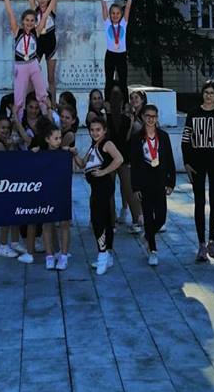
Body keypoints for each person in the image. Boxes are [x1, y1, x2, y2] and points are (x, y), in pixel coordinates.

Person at [182, 79, 214, 262]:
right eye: (206, 92)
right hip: (197, 162)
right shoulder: (193, 113)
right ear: (202, 94)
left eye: (212, 93)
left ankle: (212, 241)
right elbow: (186, 140)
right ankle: (201, 244)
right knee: (199, 202)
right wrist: (186, 162)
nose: (209, 96)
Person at [74, 115, 122, 276]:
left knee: (98, 220)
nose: (95, 133)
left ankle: (102, 255)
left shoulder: (107, 144)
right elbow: (82, 164)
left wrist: (104, 172)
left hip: (103, 187)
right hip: (96, 188)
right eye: (92, 130)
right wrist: (74, 153)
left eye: (98, 130)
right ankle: (108, 255)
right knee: (106, 220)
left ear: (104, 130)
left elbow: (119, 159)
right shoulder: (93, 145)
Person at [130, 103, 176, 266]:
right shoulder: (137, 138)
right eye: (148, 116)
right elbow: (134, 165)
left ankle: (148, 235)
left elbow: (170, 159)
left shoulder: (163, 136)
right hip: (144, 181)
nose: (151, 119)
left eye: (154, 116)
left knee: (161, 217)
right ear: (143, 117)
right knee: (148, 217)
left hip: (160, 180)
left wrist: (171, 182)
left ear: (157, 118)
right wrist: (135, 187)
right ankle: (153, 250)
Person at [0, 0, 50, 117]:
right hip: (20, 66)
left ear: (35, 22)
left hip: (33, 64)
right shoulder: (17, 30)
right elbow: (10, 13)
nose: (29, 23)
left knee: (42, 94)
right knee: (19, 98)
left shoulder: (37, 31)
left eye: (32, 20)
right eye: (27, 20)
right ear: (23, 21)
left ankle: (47, 117)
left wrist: (53, 0)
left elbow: (45, 15)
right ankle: (18, 121)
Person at [33, 124, 75, 270]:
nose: (59, 141)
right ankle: (49, 256)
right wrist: (34, 153)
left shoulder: (64, 153)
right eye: (56, 138)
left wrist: (72, 151)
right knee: (47, 224)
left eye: (60, 138)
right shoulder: (41, 153)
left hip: (62, 191)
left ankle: (64, 255)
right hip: (46, 192)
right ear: (47, 139)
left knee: (64, 223)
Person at [107, 85, 143, 235]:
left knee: (109, 191)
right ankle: (136, 221)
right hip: (124, 157)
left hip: (110, 158)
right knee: (130, 190)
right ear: (122, 102)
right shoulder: (127, 119)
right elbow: (128, 138)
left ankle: (111, 224)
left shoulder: (106, 119)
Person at [25, 0, 60, 103]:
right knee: (32, 76)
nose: (42, 0)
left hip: (51, 43)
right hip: (38, 43)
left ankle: (53, 104)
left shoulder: (52, 9)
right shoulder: (34, 9)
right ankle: (30, 103)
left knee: (51, 77)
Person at [0, 116, 27, 260]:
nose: (5, 130)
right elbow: (9, 160)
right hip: (3, 183)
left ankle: (14, 241)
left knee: (15, 214)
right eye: (3, 127)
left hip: (12, 181)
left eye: (8, 128)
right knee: (6, 215)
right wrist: (12, 145)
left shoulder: (8, 142)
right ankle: (3, 245)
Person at [100, 0, 134, 101]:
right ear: (110, 14)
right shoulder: (107, 23)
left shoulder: (124, 23)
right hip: (110, 55)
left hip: (121, 55)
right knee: (109, 80)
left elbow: (128, 6)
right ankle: (107, 102)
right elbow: (104, 6)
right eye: (113, 13)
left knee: (123, 80)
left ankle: (125, 103)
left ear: (121, 14)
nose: (115, 15)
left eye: (118, 13)